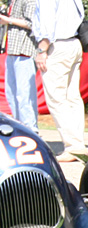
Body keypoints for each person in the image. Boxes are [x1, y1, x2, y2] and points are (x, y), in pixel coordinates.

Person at [32, 0, 85, 161]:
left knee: (57, 99)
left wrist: (42, 50)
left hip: (57, 46)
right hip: (74, 42)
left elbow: (47, 25)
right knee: (72, 97)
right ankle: (78, 144)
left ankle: (73, 146)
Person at [2, 0, 38, 132]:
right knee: (11, 94)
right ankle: (19, 128)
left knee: (25, 95)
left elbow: (34, 23)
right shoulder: (12, 1)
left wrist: (8, 20)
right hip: (11, 50)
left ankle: (31, 130)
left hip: (25, 51)